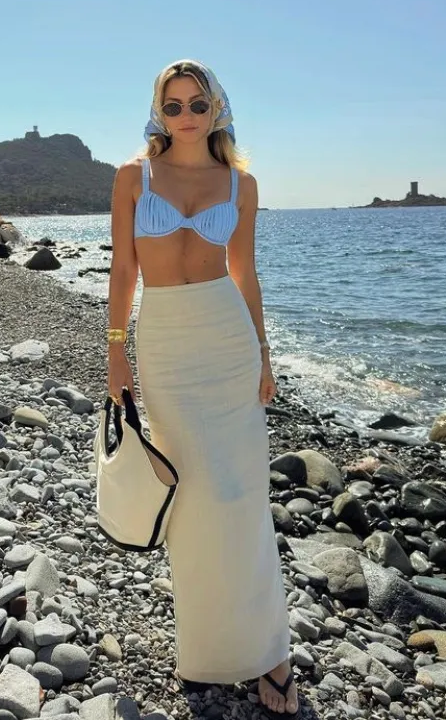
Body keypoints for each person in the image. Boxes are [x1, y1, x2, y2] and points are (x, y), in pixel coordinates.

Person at [107, 59, 299, 717]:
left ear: (218, 108)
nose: (186, 115)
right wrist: (115, 354)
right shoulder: (134, 177)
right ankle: (209, 649)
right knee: (193, 497)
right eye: (174, 104)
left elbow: (245, 273)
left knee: (243, 495)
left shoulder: (241, 183)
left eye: (198, 103)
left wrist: (264, 352)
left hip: (227, 342)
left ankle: (271, 648)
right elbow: (123, 270)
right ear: (159, 111)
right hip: (164, 342)